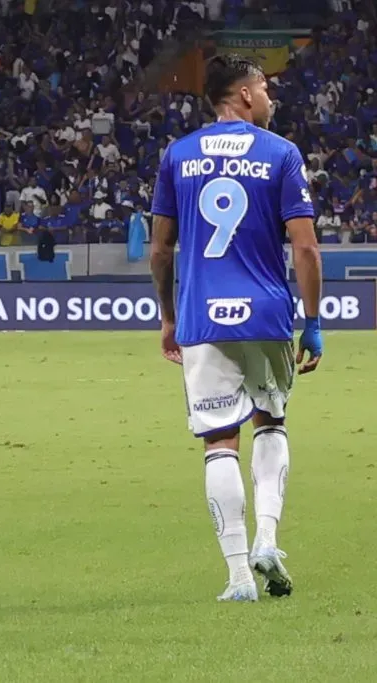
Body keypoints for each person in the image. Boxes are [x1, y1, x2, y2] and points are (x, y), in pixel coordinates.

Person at [150, 54, 322, 603]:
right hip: (267, 313)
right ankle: (267, 540)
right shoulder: (281, 153)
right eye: (265, 87)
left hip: (202, 315)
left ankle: (238, 578)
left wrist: (169, 315)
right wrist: (313, 322)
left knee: (219, 441)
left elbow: (160, 248)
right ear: (244, 95)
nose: (271, 98)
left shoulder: (178, 154)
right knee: (271, 421)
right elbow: (305, 247)